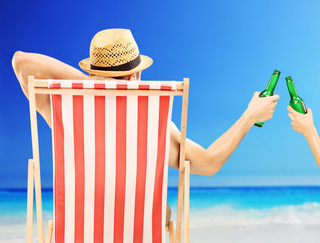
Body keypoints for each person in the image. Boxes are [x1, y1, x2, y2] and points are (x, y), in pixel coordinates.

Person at [13, 28, 280, 222]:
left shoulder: (67, 112)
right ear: (137, 74)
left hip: (77, 225)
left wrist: (95, 87)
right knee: (158, 212)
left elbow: (21, 61)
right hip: (139, 229)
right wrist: (249, 116)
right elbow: (209, 163)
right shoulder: (156, 126)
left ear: (93, 72)